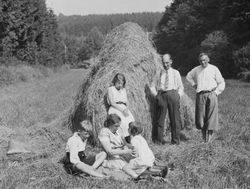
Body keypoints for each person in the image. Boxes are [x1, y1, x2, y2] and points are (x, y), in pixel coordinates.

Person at [186, 52, 225, 142]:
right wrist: (194, 84)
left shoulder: (214, 69)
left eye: (204, 60)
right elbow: (188, 76)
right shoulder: (196, 69)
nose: (203, 62)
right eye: (201, 61)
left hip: (211, 94)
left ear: (208, 60)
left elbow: (221, 82)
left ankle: (209, 141)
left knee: (211, 117)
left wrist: (216, 92)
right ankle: (204, 139)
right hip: (200, 95)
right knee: (201, 118)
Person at [150, 53, 186, 145]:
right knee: (160, 119)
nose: (165, 65)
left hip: (173, 94)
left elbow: (181, 87)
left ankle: (175, 141)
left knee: (175, 119)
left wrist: (178, 96)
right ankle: (158, 141)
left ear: (171, 61)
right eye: (163, 63)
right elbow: (152, 86)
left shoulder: (175, 73)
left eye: (167, 62)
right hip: (162, 95)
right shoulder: (159, 73)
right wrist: (156, 96)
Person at [98, 114, 142, 180]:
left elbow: (125, 143)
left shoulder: (118, 130)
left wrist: (134, 147)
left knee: (137, 160)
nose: (117, 128)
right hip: (111, 157)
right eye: (116, 126)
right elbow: (109, 151)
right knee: (122, 164)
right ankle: (136, 177)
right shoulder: (104, 132)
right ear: (110, 124)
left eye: (119, 126)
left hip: (122, 154)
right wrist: (125, 151)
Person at [107, 73, 135, 141]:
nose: (120, 85)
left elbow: (127, 102)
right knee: (122, 123)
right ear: (115, 82)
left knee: (131, 121)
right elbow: (112, 103)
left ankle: (131, 140)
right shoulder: (111, 89)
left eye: (121, 83)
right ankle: (121, 140)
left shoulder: (123, 90)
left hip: (124, 108)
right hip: (115, 108)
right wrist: (122, 110)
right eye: (118, 83)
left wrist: (126, 109)